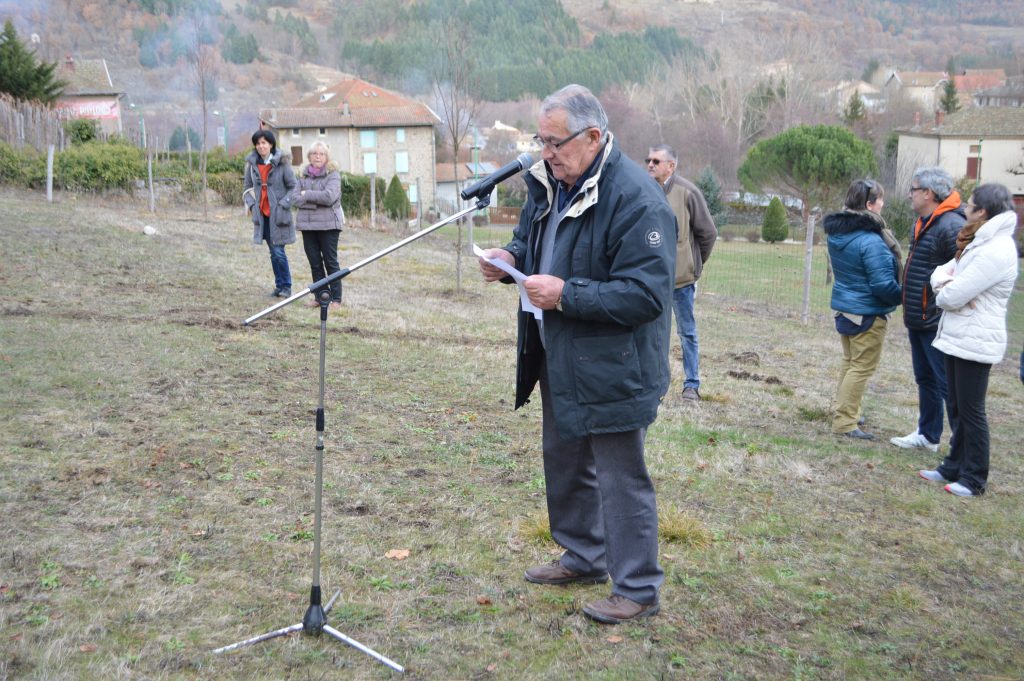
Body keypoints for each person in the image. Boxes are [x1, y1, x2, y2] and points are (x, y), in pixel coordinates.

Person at [477, 85, 676, 625]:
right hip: (558, 350)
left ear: (593, 137)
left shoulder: (637, 199)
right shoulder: (551, 184)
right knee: (564, 459)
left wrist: (565, 294)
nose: (545, 153)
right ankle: (583, 555)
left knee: (619, 475)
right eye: (540, 140)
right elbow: (529, 241)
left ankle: (637, 587)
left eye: (554, 142)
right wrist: (507, 257)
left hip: (616, 364)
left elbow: (647, 294)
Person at [918, 183, 1019, 496]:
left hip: (977, 339)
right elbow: (941, 274)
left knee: (972, 411)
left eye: (970, 204)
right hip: (958, 334)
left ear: (983, 212)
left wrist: (948, 291)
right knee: (957, 406)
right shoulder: (976, 242)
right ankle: (952, 467)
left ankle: (974, 478)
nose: (964, 208)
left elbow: (953, 294)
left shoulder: (997, 250)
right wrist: (946, 287)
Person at [889, 167, 964, 453]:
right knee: (926, 378)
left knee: (947, 385)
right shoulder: (923, 221)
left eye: (914, 188)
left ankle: (961, 448)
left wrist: (937, 307)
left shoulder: (951, 226)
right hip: (918, 318)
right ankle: (928, 435)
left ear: (929, 193)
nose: (910, 193)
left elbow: (962, 273)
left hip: (936, 320)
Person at [823, 180, 902, 440]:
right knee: (861, 368)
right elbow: (882, 285)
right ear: (869, 205)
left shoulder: (839, 234)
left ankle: (846, 410)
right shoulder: (871, 241)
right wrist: (905, 295)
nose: (883, 204)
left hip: (847, 309)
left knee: (850, 364)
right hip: (867, 313)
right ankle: (845, 422)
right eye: (880, 200)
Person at [644, 144, 717, 402]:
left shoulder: (688, 192)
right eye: (648, 160)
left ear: (671, 166)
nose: (650, 165)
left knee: (686, 333)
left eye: (656, 161)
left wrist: (693, 264)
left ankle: (691, 385)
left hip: (681, 282)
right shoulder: (643, 190)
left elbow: (708, 233)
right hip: (650, 282)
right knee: (652, 335)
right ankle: (654, 385)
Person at [243, 129, 296, 298]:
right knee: (273, 252)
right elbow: (246, 190)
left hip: (279, 215)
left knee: (279, 251)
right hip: (262, 215)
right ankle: (279, 286)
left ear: (271, 144)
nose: (261, 146)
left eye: (264, 143)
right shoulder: (252, 166)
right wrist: (252, 207)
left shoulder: (283, 163)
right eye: (258, 143)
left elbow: (293, 187)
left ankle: (286, 286)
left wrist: (283, 204)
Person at [293, 141, 345, 309]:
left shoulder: (333, 174)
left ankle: (336, 299)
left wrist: (307, 195)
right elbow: (295, 198)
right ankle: (321, 297)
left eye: (321, 153)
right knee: (315, 263)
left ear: (327, 157)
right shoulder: (302, 175)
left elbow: (329, 197)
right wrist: (315, 200)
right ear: (309, 156)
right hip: (308, 226)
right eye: (314, 153)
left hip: (329, 225)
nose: (317, 156)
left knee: (331, 262)